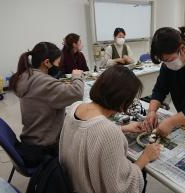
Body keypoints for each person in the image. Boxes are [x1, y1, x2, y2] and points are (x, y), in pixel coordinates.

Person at [59, 65, 160, 193]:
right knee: (141, 172)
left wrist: (123, 128)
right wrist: (145, 157)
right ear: (123, 101)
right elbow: (121, 189)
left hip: (71, 185)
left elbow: (89, 136)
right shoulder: (108, 132)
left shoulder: (75, 107)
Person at [9, 42, 84, 167]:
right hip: (43, 149)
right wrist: (77, 77)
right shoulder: (43, 81)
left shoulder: (27, 75)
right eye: (58, 63)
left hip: (30, 141)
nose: (59, 66)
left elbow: (44, 94)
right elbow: (77, 93)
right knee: (83, 141)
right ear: (47, 62)